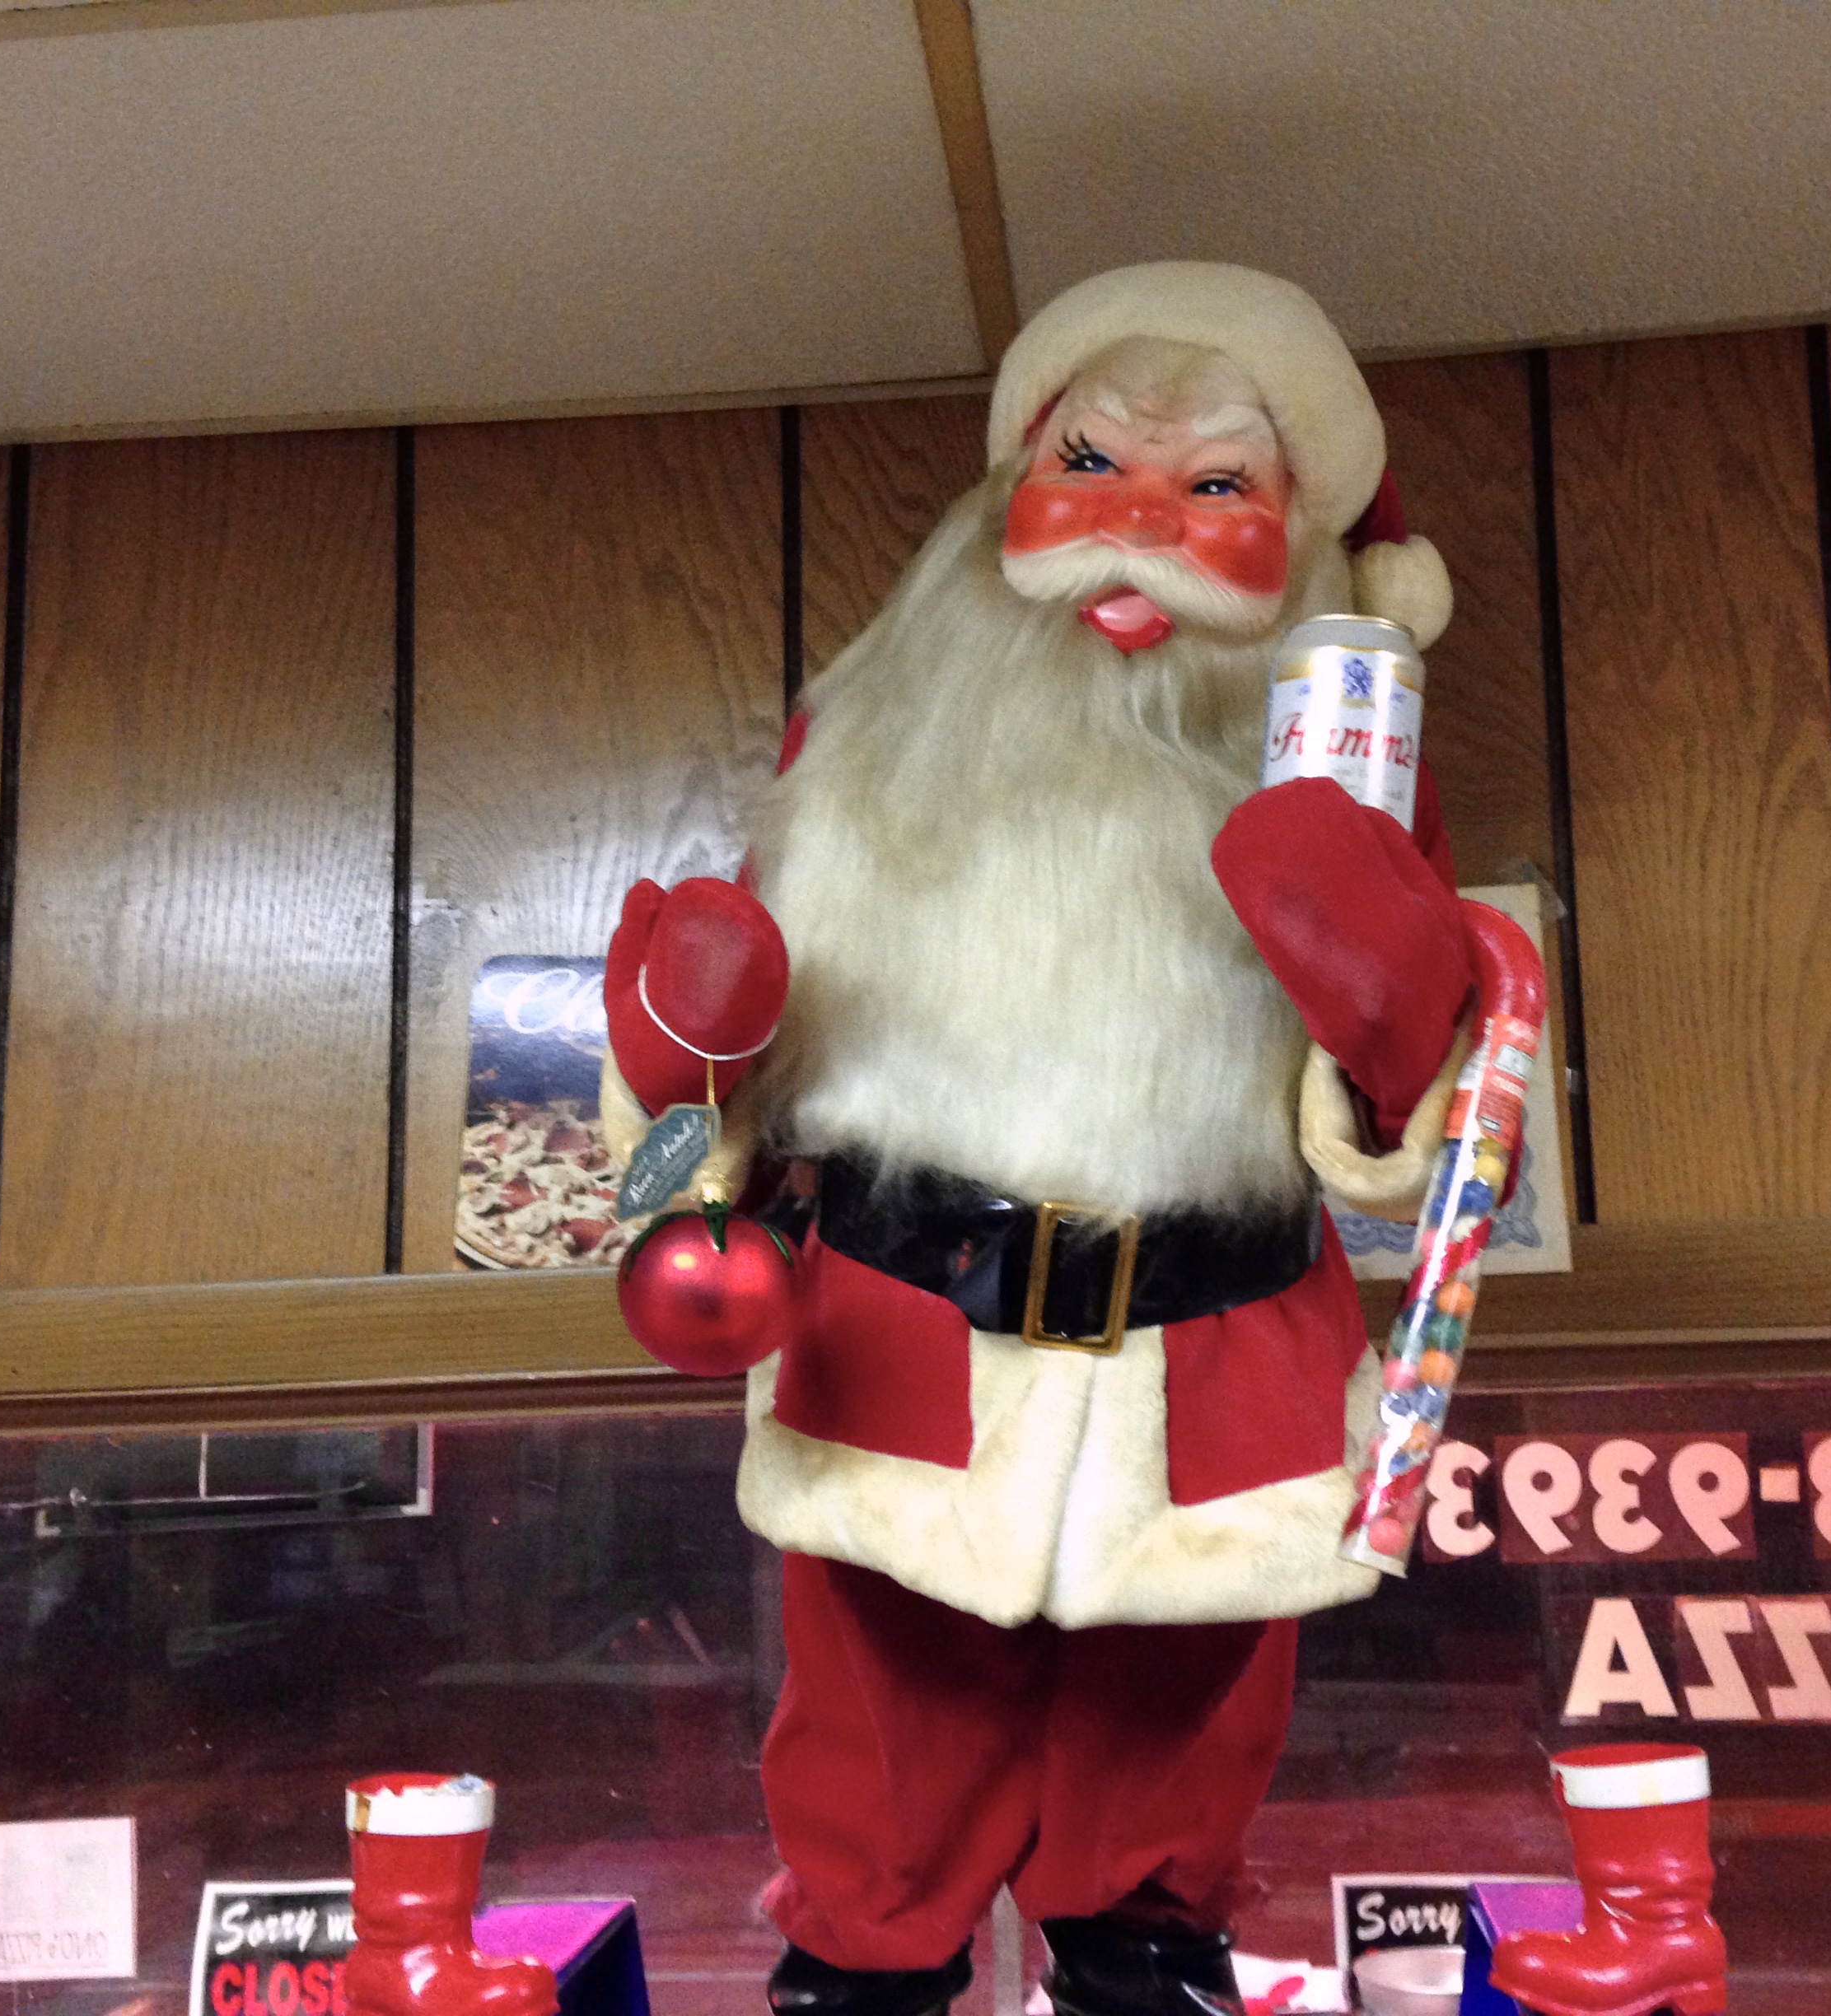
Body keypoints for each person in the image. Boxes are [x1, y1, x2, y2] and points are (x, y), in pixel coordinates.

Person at [604, 264, 1484, 2016]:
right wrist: (686, 1037)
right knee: (876, 1721)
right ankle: (861, 1956)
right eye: (1096, 460)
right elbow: (732, 1091)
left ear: (1311, 539)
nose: (1139, 531)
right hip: (902, 1320)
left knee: (1181, 1720)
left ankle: (1150, 1937)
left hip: (1214, 1345)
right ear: (1010, 490)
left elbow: (1421, 1126)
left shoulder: (1353, 769)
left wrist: (1382, 991)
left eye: (1218, 487)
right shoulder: (863, 733)